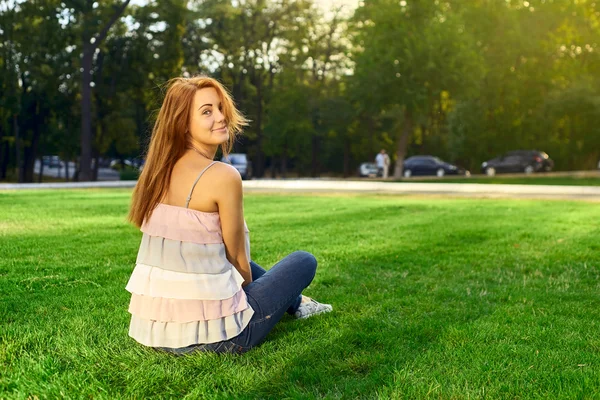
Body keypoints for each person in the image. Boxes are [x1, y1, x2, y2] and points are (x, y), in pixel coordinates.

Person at [126, 76, 332, 355]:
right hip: (222, 337)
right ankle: (297, 302)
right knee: (303, 261)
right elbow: (236, 259)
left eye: (221, 108)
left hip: (155, 332)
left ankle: (299, 303)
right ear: (182, 123)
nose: (221, 118)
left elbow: (220, 252)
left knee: (236, 259)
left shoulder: (157, 172)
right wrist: (249, 298)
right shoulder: (223, 176)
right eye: (207, 111)